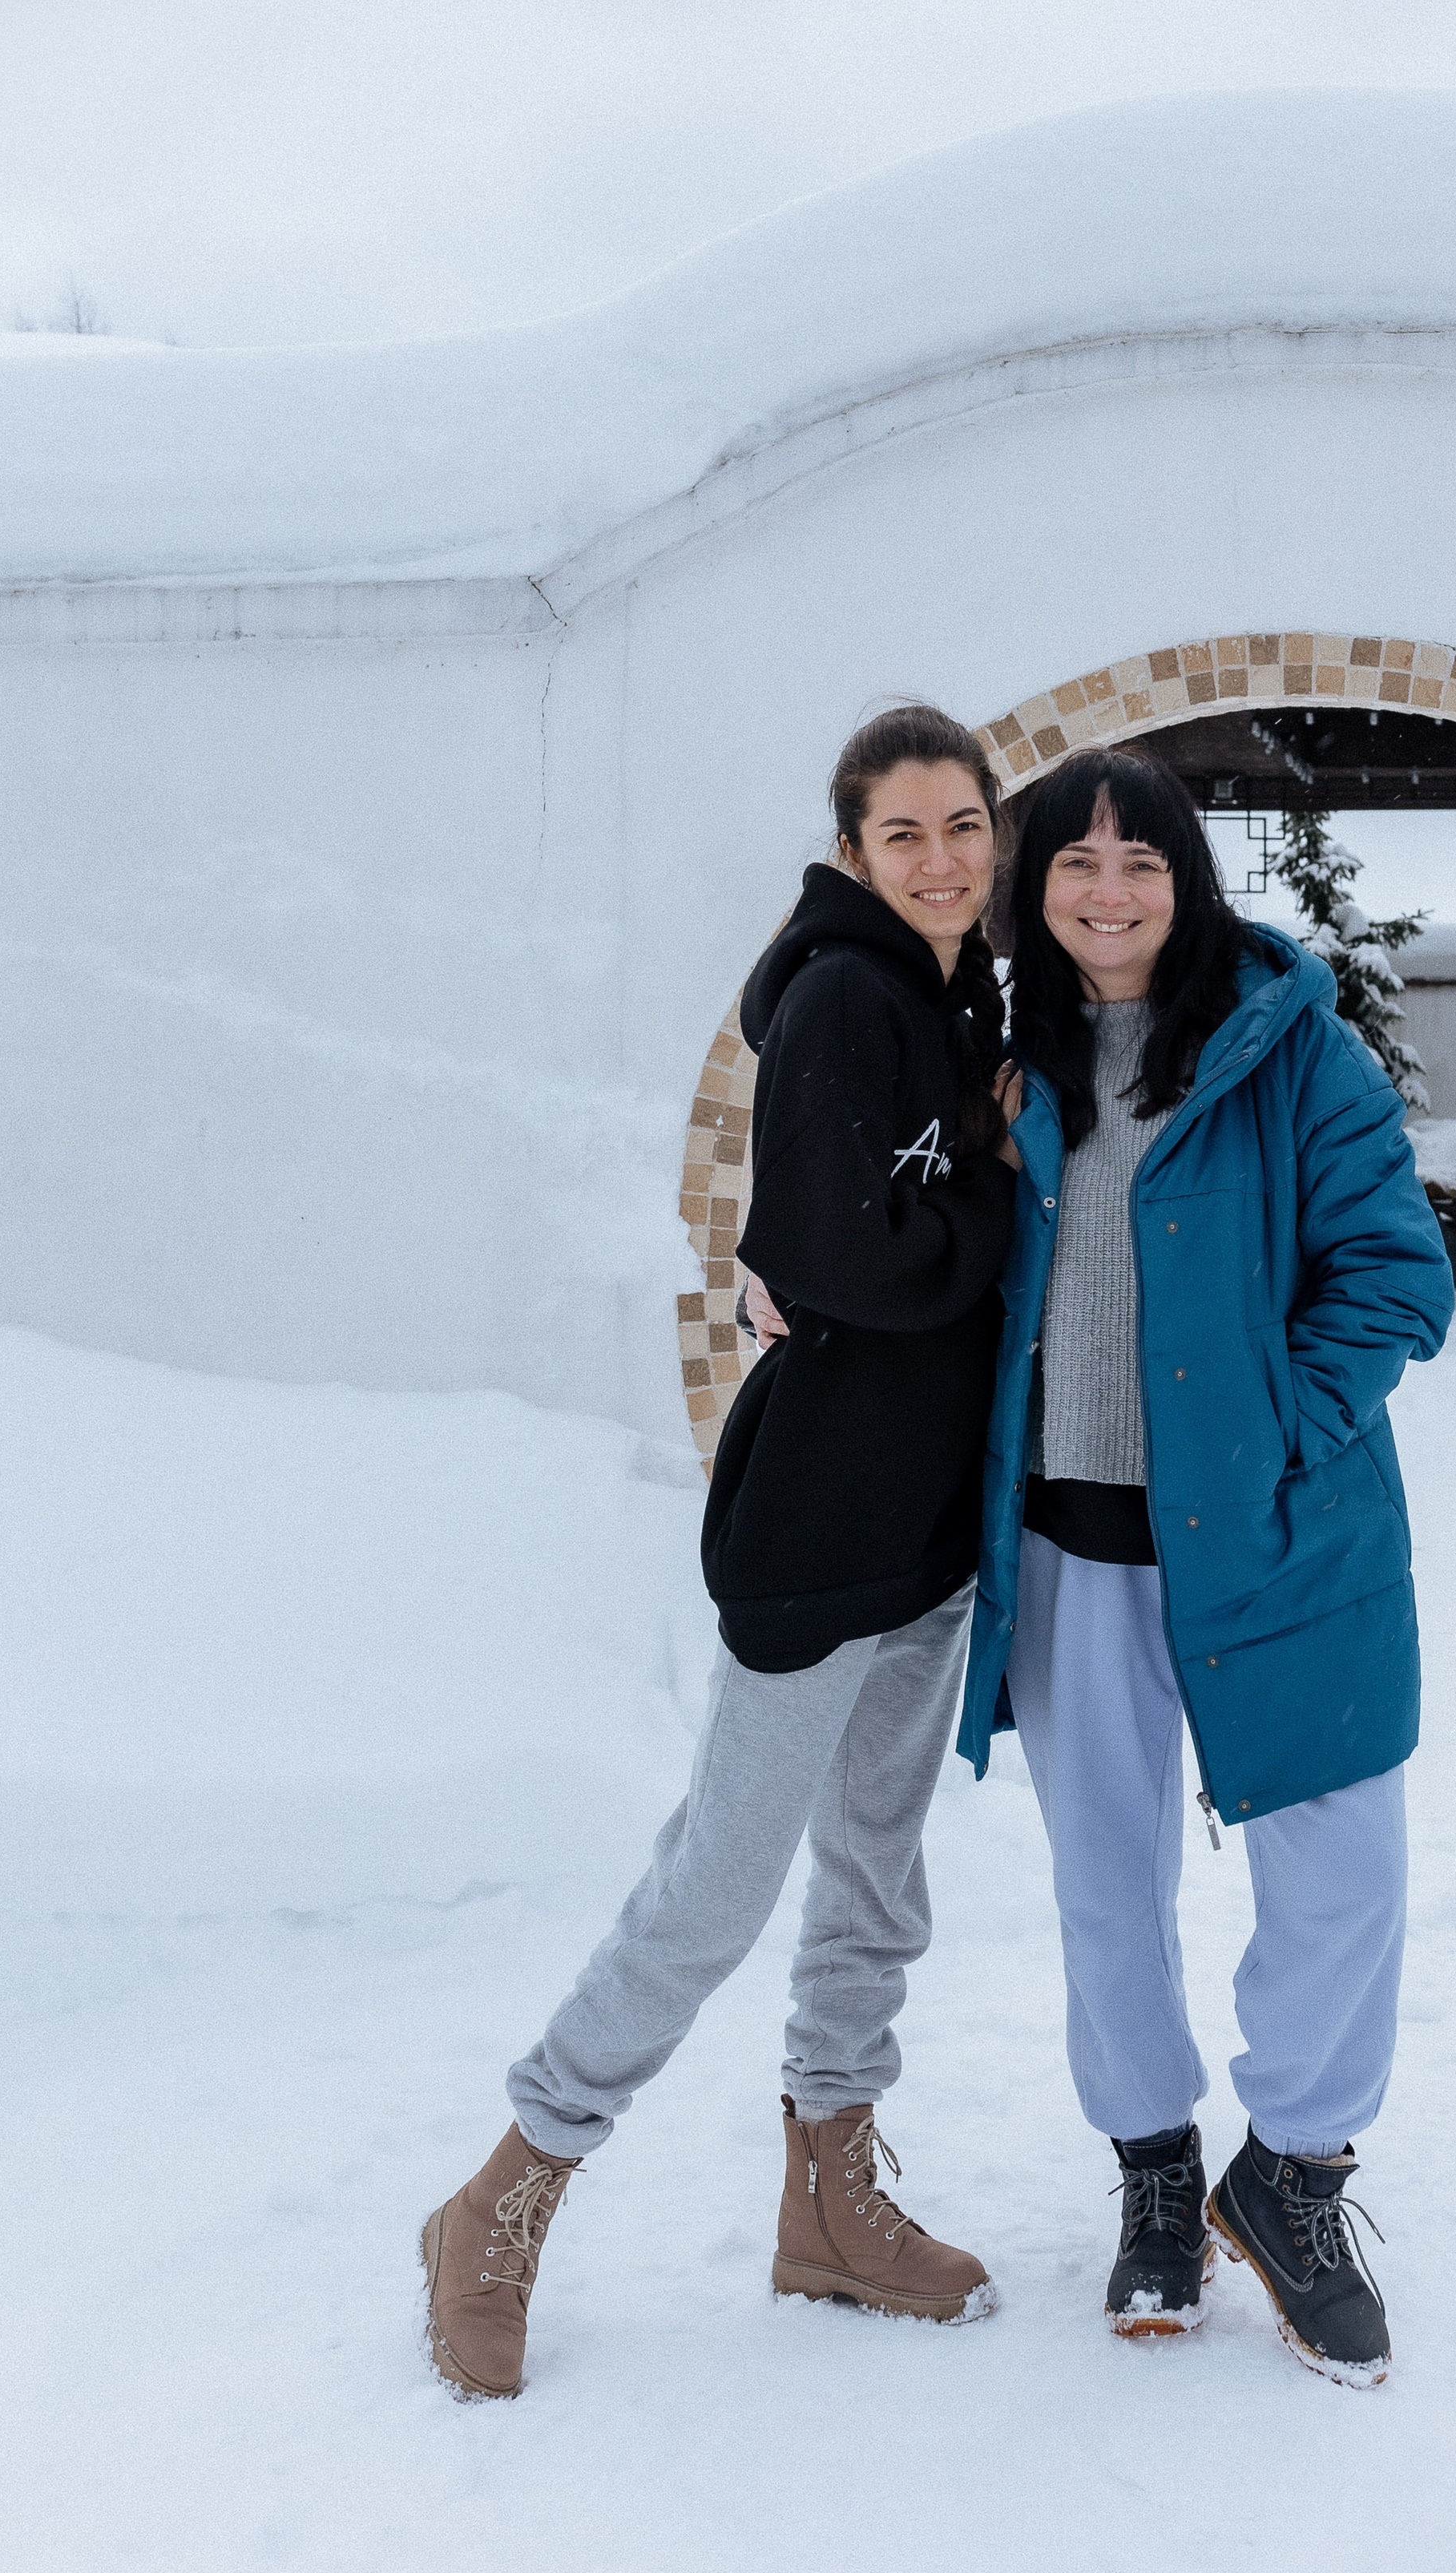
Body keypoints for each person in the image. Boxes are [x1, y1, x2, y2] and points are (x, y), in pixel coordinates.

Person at [421, 704, 1019, 2399]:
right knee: (718, 1884)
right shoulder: (841, 999)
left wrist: (970, 1186)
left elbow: (913, 1253)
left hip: (923, 1531)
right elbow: (841, 1258)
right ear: (850, 852)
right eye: (900, 833)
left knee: (874, 1879)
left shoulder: (962, 996)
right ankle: (509, 2183)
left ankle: (827, 2199)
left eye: (960, 825)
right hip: (819, 1524)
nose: (937, 858)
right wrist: (989, 1192)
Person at [960, 749, 1452, 2384]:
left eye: (1140, 865)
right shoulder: (997, 1062)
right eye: (1073, 865)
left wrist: (1270, 1429)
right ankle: (1155, 2170)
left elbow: (1394, 1277)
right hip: (1067, 1547)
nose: (1106, 893)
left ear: (1187, 882)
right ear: (1032, 888)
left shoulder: (1290, 1052)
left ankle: (1294, 2177)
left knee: (1340, 1877)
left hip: (1282, 1542)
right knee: (1107, 1888)